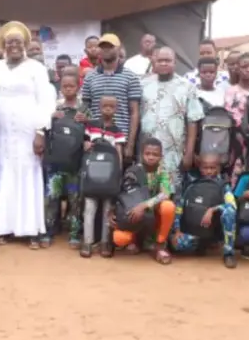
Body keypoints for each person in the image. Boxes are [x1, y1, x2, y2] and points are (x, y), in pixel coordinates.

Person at [0, 21, 56, 248]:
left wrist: (40, 131)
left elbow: (46, 101)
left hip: (29, 129)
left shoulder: (36, 68)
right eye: (9, 42)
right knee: (5, 172)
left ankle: (31, 229)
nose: (13, 45)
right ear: (3, 46)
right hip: (3, 131)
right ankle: (3, 227)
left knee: (29, 172)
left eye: (18, 41)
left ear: (25, 44)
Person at [138, 46, 202, 192]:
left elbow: (193, 121)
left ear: (175, 62)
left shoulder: (187, 87)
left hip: (174, 154)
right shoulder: (143, 84)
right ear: (154, 62)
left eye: (168, 60)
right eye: (160, 60)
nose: (164, 64)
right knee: (146, 192)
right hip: (147, 152)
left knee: (170, 197)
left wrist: (189, 153)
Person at [113, 137, 176, 263]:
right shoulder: (133, 171)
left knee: (168, 206)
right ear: (141, 154)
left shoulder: (163, 172)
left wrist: (144, 205)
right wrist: (113, 212)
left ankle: (159, 244)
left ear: (161, 156)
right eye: (147, 154)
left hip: (153, 214)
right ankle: (135, 240)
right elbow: (124, 195)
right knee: (119, 238)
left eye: (155, 154)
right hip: (135, 214)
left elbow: (165, 194)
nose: (151, 157)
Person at [170, 153, 238, 269]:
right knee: (178, 245)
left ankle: (228, 253)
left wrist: (213, 209)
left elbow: (232, 206)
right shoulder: (192, 185)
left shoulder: (223, 186)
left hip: (215, 230)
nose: (209, 171)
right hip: (195, 230)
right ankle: (201, 244)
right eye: (205, 168)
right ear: (200, 168)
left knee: (229, 213)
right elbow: (180, 207)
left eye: (212, 168)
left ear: (219, 168)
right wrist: (177, 230)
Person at [81, 34, 142, 161]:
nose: (106, 49)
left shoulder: (131, 77)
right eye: (103, 47)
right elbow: (85, 108)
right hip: (94, 140)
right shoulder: (90, 77)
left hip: (120, 141)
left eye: (110, 46)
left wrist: (130, 145)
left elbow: (134, 113)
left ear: (119, 49)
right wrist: (85, 139)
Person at [45, 73, 88, 248]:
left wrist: (86, 121)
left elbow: (91, 130)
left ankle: (74, 233)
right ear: (60, 87)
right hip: (55, 163)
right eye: (65, 86)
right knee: (52, 197)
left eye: (72, 86)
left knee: (74, 198)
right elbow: (44, 130)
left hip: (74, 165)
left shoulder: (84, 108)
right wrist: (51, 117)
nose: (68, 89)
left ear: (78, 87)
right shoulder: (53, 107)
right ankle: (49, 230)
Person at [81, 96, 127, 258]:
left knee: (108, 210)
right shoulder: (91, 126)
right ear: (99, 107)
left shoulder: (118, 131)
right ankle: (87, 242)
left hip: (109, 175)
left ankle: (105, 242)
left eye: (111, 107)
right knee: (89, 208)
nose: (108, 109)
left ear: (116, 109)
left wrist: (118, 173)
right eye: (105, 106)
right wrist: (86, 145)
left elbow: (119, 152)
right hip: (91, 173)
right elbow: (85, 145)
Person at [223, 51, 249, 180]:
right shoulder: (231, 92)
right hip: (237, 143)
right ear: (237, 68)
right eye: (244, 67)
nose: (248, 70)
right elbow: (231, 118)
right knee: (237, 178)